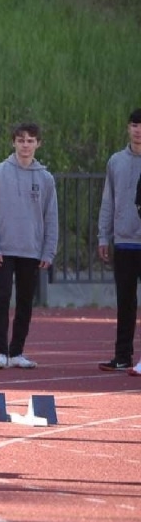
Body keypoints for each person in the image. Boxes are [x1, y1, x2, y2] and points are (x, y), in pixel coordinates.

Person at [0, 123, 58, 370]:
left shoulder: (45, 178)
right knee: (1, 298)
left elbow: (51, 216)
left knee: (25, 301)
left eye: (30, 140)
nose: (25, 145)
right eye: (21, 140)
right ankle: (0, 353)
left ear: (38, 144)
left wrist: (48, 250)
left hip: (32, 249)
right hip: (4, 249)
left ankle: (17, 352)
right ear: (13, 142)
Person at [97, 108, 141, 374]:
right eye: (134, 125)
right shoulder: (116, 161)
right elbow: (107, 202)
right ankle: (122, 355)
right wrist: (104, 235)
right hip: (124, 242)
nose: (138, 130)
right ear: (128, 128)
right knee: (125, 303)